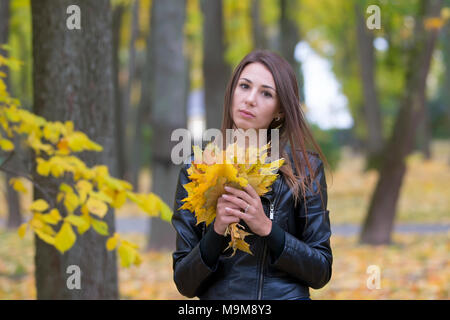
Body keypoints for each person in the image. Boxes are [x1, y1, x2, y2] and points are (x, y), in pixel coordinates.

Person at [171, 50, 332, 300]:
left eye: (266, 93)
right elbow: (184, 283)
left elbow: (320, 271)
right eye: (244, 86)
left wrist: (267, 228)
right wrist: (217, 230)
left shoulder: (305, 171)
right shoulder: (196, 169)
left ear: (279, 111)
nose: (250, 99)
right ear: (232, 91)